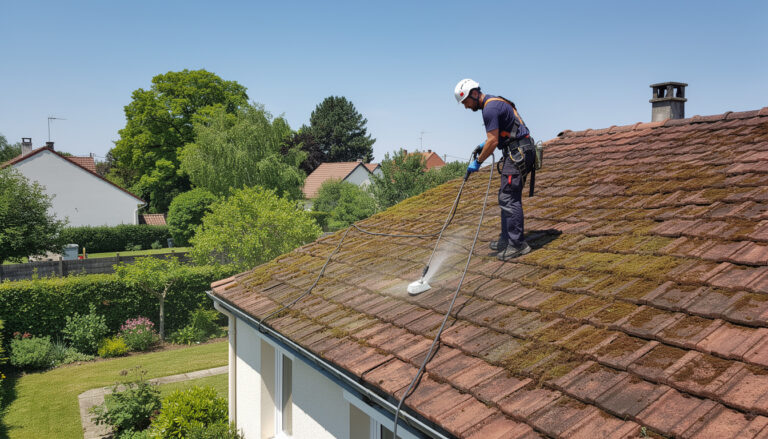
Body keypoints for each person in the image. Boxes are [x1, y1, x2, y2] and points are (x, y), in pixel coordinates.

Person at [455, 78, 535, 260]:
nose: (466, 107)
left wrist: (478, 161)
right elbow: (498, 134)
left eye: (466, 102)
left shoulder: (489, 108)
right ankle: (506, 239)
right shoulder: (495, 102)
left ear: (474, 94)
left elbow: (493, 141)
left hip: (518, 152)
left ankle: (517, 244)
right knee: (506, 196)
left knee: (509, 198)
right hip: (520, 150)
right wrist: (482, 145)